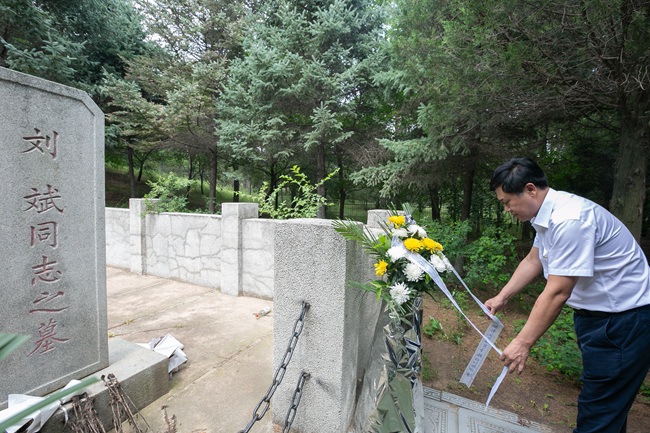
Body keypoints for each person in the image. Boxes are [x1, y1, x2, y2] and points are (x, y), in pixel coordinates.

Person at [485, 157, 650, 433]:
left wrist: (523, 342)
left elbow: (558, 291)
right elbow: (534, 260)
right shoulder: (548, 216)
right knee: (607, 411)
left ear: (530, 189)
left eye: (507, 202)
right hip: (601, 320)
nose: (506, 209)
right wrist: (502, 297)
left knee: (598, 415)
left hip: (623, 322)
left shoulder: (571, 218)